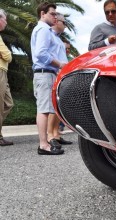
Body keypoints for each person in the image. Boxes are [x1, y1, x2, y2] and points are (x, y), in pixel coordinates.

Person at [30, 2, 66, 155]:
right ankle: (43, 145)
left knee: (45, 109)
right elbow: (41, 53)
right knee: (44, 110)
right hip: (44, 73)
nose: (55, 16)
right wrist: (59, 63)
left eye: (56, 14)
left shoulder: (45, 30)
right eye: (52, 13)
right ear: (42, 14)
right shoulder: (44, 29)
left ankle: (44, 143)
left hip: (45, 73)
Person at [47, 12, 72, 147]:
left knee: (57, 106)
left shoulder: (57, 38)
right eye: (64, 23)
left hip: (59, 73)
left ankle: (56, 133)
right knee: (52, 106)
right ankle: (50, 135)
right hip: (54, 72)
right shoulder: (49, 34)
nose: (65, 26)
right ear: (57, 22)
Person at [0, 9, 14, 146]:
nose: (6, 22)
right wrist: (6, 54)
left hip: (3, 71)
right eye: (5, 19)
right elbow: (8, 56)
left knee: (8, 104)